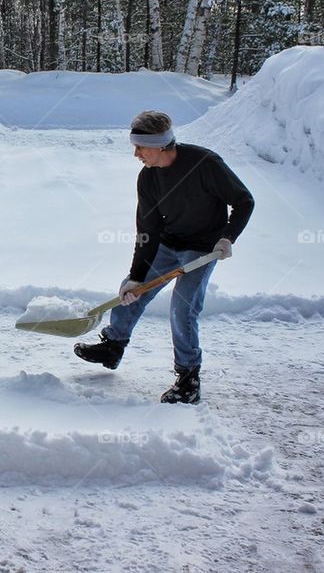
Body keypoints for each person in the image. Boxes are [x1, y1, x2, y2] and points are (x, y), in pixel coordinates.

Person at [74, 110, 254, 404]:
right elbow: (147, 230)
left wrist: (228, 237)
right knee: (131, 290)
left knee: (183, 308)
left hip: (203, 249)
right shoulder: (148, 178)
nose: (136, 154)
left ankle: (188, 378)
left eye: (140, 147)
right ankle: (113, 345)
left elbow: (244, 201)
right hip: (168, 244)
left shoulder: (204, 164)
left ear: (159, 145)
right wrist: (136, 276)